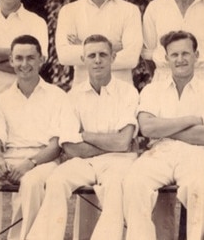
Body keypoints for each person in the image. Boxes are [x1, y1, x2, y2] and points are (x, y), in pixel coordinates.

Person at [0, 35, 76, 240]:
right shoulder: (2, 98)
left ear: (41, 60)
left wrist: (29, 163)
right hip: (9, 159)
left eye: (30, 58)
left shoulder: (57, 96)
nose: (24, 64)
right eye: (19, 58)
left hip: (43, 161)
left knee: (32, 183)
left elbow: (56, 146)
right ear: (11, 60)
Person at [28, 34, 139, 240]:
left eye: (103, 55)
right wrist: (112, 142)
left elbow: (123, 142)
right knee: (57, 180)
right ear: (83, 60)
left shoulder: (128, 93)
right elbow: (70, 147)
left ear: (113, 58)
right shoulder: (73, 96)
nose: (97, 60)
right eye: (92, 55)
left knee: (115, 186)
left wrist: (85, 135)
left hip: (119, 162)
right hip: (83, 161)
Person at [123, 30, 204, 240]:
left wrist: (165, 130)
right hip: (160, 152)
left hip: (198, 153)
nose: (180, 59)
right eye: (174, 55)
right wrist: (188, 120)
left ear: (196, 56)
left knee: (198, 185)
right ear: (166, 58)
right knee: (134, 181)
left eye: (186, 54)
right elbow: (148, 129)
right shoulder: (152, 90)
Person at [55, 0, 142, 86]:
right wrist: (111, 49)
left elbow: (131, 58)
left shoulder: (130, 11)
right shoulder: (68, 11)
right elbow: (64, 55)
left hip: (121, 94)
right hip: (83, 94)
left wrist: (84, 48)